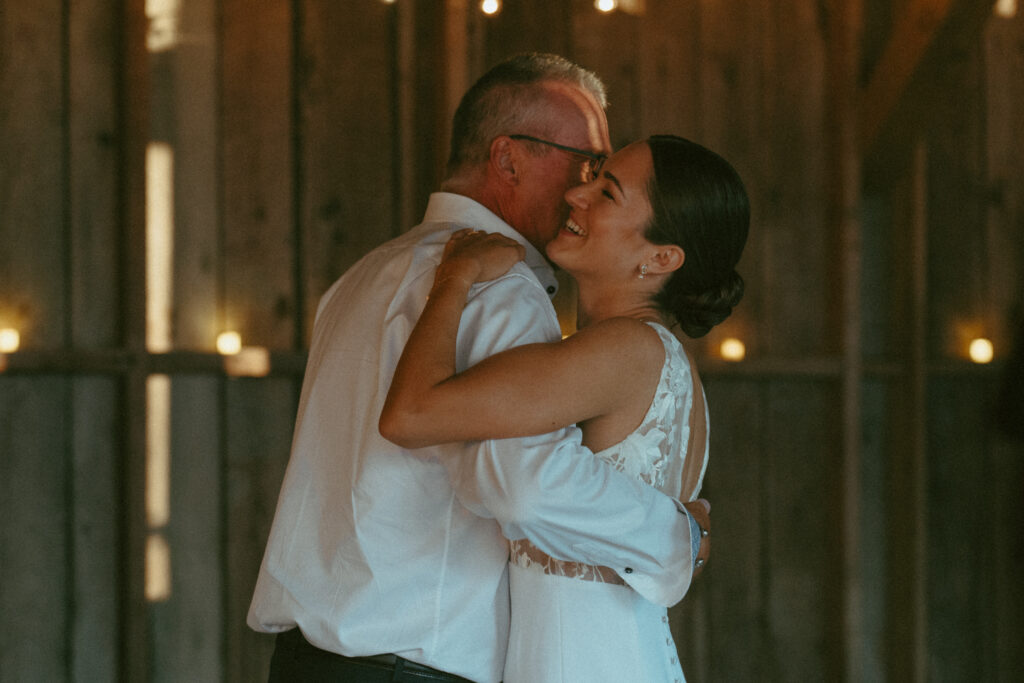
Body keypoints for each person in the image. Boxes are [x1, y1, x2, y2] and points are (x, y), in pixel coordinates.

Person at [248, 53, 709, 683]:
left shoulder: (363, 277)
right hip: (415, 662)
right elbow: (523, 479)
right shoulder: (504, 289)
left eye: (601, 178)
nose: (581, 188)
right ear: (508, 158)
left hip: (302, 660)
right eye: (585, 164)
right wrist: (676, 535)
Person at [380, 134, 748, 682]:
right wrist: (679, 538)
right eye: (592, 177)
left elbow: (410, 415)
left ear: (661, 257)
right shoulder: (645, 355)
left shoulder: (624, 350)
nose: (578, 196)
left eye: (608, 193)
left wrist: (455, 277)